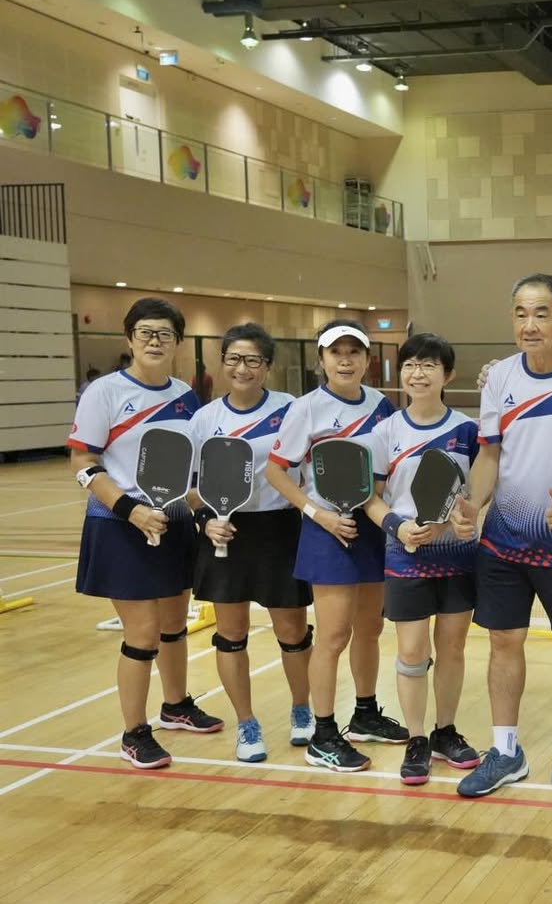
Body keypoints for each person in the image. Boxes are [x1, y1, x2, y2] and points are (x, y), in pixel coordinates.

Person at [450, 273, 552, 797]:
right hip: (503, 540)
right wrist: (472, 503)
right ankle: (505, 751)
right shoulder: (499, 377)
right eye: (521, 313)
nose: (530, 324)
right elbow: (490, 454)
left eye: (541, 313)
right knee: (504, 641)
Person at [69, 297, 223, 769]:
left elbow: (189, 469)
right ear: (129, 339)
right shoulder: (104, 392)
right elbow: (82, 462)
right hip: (120, 525)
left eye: (164, 334)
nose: (154, 341)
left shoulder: (185, 395)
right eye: (145, 333)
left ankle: (175, 705)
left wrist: (203, 513)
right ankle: (134, 733)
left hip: (173, 522)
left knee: (175, 623)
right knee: (143, 633)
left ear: (178, 342)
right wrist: (130, 510)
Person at [266, 320, 403, 773]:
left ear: (367, 359)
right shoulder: (306, 409)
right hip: (327, 530)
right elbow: (276, 470)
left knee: (370, 628)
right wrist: (317, 514)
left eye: (354, 352)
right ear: (321, 360)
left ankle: (365, 713)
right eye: (335, 352)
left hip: (371, 526)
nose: (345, 360)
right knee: (333, 636)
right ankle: (323, 735)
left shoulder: (382, 405)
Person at [186, 323, 314, 763]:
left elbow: (306, 470)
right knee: (231, 633)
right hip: (226, 531)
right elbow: (191, 488)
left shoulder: (291, 409)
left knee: (292, 632)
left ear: (267, 366)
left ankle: (302, 710)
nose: (242, 368)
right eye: (234, 359)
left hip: (279, 529)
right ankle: (246, 723)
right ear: (222, 363)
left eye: (252, 360)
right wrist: (206, 520)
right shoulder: (205, 420)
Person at [363, 333, 482, 785]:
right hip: (405, 553)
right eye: (410, 365)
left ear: (447, 375)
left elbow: (480, 493)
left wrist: (461, 523)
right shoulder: (385, 432)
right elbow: (372, 498)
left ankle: (445, 731)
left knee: (452, 647)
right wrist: (396, 526)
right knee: (412, 650)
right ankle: (417, 739)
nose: (418, 373)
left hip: (457, 554)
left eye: (429, 365)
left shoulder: (467, 431)